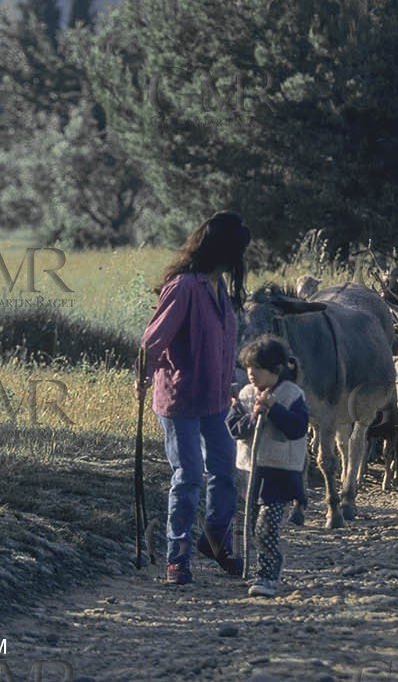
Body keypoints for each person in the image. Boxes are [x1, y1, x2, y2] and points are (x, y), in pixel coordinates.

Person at [139, 210, 252, 585]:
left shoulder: (219, 288)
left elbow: (221, 345)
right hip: (181, 398)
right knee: (188, 476)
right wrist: (142, 380)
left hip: (216, 397)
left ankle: (215, 539)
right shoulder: (185, 287)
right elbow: (153, 340)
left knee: (224, 471)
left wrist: (230, 383)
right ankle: (177, 557)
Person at [227, 335, 309, 598]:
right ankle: (256, 569)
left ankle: (267, 576)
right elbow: (234, 428)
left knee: (267, 526)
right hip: (251, 472)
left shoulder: (292, 395)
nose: (251, 374)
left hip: (279, 472)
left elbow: (297, 428)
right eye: (248, 368)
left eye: (257, 369)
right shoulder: (246, 395)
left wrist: (273, 411)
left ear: (275, 370)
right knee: (251, 525)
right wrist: (254, 416)